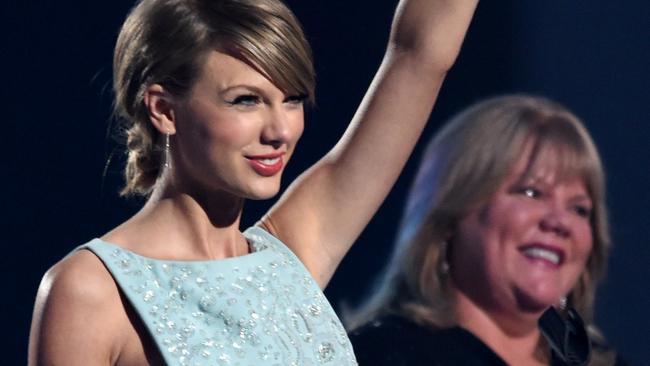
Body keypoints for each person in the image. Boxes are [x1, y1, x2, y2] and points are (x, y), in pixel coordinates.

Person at [28, 0, 479, 364]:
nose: (280, 131)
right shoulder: (90, 290)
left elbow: (419, 56)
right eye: (246, 101)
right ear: (163, 110)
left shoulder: (293, 251)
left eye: (292, 100)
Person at [348, 95, 624, 365]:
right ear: (450, 216)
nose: (560, 222)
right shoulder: (383, 354)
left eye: (579, 209)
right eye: (531, 192)